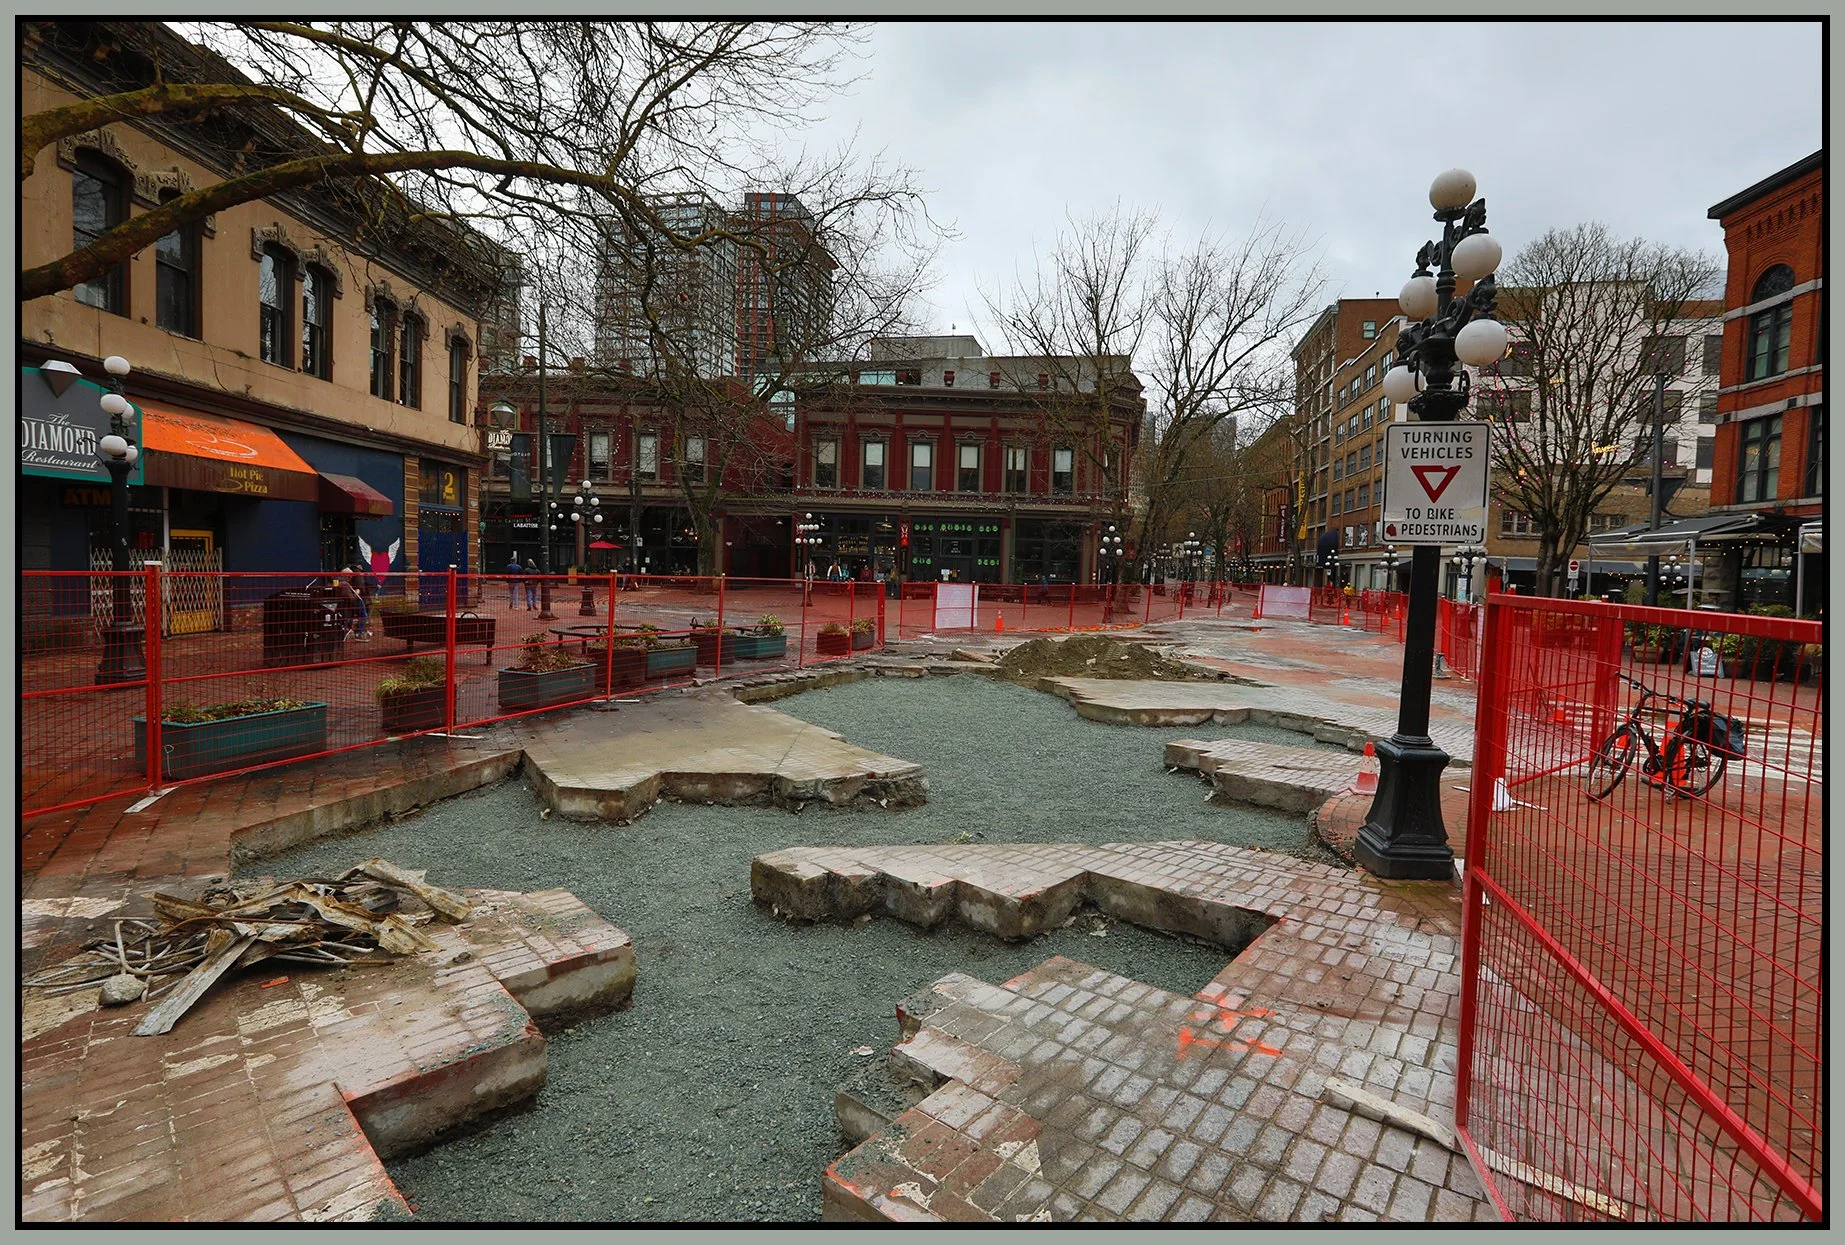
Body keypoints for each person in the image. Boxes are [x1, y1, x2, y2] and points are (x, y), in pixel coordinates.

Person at [346, 559, 374, 638]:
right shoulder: (358, 573)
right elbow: (361, 586)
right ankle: (359, 631)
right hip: (358, 597)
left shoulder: (350, 571)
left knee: (350, 614)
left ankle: (348, 630)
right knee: (363, 615)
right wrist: (365, 597)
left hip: (352, 597)